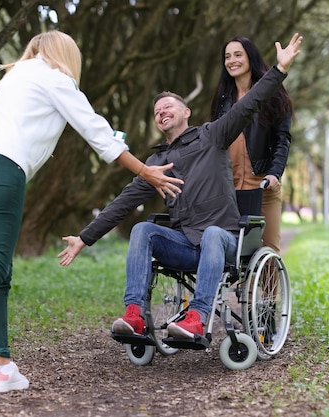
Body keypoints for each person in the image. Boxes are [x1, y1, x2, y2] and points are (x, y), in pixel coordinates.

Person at [0, 30, 183, 404]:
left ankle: (2, 365)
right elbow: (98, 133)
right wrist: (145, 171)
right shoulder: (55, 77)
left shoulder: (14, 77)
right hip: (2, 170)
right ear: (65, 55)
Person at [58, 33, 302, 340]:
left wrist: (278, 71)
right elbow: (122, 203)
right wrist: (84, 238)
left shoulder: (212, 136)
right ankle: (134, 315)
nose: (162, 111)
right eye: (157, 110)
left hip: (223, 241)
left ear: (186, 112)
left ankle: (197, 318)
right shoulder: (156, 163)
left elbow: (251, 103)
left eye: (168, 106)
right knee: (142, 230)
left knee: (214, 233)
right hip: (187, 247)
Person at [210, 36, 295, 254]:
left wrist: (275, 174)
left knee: (267, 251)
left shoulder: (273, 93)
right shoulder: (222, 99)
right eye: (227, 56)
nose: (232, 60)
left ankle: (267, 289)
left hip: (262, 187)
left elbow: (282, 138)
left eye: (238, 55)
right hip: (229, 190)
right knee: (231, 254)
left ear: (250, 58)